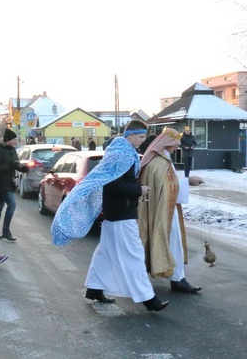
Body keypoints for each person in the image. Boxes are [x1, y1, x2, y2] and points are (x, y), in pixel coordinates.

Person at [50, 120, 169, 312]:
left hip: (116, 212)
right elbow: (113, 184)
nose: (143, 140)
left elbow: (113, 182)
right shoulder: (122, 155)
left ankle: (94, 290)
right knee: (134, 254)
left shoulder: (119, 152)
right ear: (130, 136)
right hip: (122, 213)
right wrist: (139, 189)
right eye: (140, 137)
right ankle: (149, 299)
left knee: (105, 253)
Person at [138, 127, 203, 294]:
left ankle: (176, 276)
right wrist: (189, 181)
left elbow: (166, 185)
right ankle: (177, 279)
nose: (177, 148)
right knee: (173, 242)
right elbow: (168, 187)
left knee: (171, 242)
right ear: (167, 144)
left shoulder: (158, 159)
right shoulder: (160, 162)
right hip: (163, 210)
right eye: (175, 145)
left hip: (160, 207)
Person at [0, 128, 28, 242]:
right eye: (14, 139)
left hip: (9, 182)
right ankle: (6, 232)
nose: (15, 141)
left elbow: (15, 163)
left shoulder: (12, 150)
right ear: (8, 140)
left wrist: (22, 167)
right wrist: (9, 165)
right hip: (1, 183)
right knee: (12, 205)